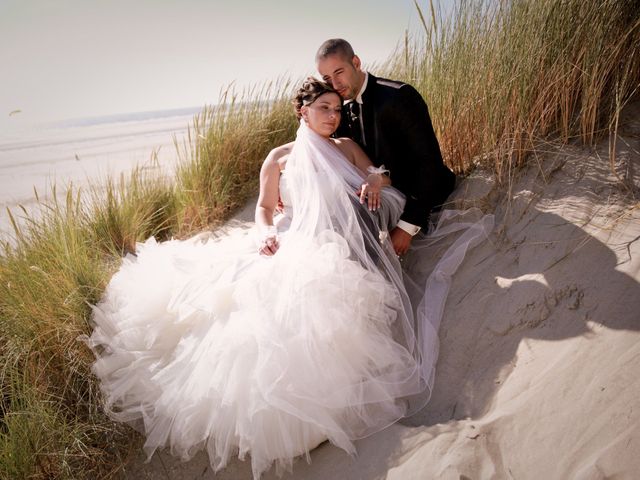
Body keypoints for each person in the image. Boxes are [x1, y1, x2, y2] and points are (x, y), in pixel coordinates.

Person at [84, 78, 491, 480]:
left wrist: (373, 178)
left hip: (340, 245)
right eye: (323, 109)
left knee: (329, 303)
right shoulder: (279, 157)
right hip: (292, 238)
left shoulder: (346, 147)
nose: (333, 116)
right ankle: (284, 410)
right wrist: (265, 233)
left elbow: (378, 176)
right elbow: (263, 207)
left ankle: (322, 404)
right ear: (303, 112)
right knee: (267, 307)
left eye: (335, 109)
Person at [316, 38, 456, 256]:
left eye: (339, 72)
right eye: (327, 78)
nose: (335, 84)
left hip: (421, 201)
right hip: (376, 204)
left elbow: (430, 165)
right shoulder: (338, 112)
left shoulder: (399, 96)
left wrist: (407, 226)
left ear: (356, 62)